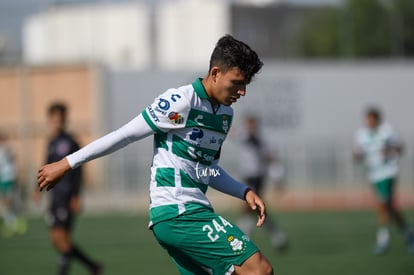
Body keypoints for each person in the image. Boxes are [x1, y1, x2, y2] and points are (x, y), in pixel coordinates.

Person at [37, 35, 274, 274]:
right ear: (215, 73)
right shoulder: (180, 101)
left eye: (246, 85)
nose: (242, 92)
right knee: (260, 270)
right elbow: (124, 135)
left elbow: (206, 169)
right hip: (179, 212)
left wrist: (243, 191)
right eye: (237, 83)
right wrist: (67, 163)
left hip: (186, 214)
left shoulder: (224, 115)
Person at [34, 103, 102, 274]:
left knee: (61, 237)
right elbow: (45, 166)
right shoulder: (51, 142)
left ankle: (70, 270)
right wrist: (37, 189)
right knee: (56, 239)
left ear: (65, 120)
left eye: (60, 119)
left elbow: (78, 170)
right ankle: (92, 266)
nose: (57, 122)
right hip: (54, 196)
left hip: (66, 195)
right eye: (54, 119)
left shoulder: (70, 142)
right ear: (49, 120)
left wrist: (76, 196)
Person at [353, 106, 414, 254]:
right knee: (389, 208)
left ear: (377, 119)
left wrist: (390, 149)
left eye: (371, 119)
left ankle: (383, 240)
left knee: (382, 203)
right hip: (374, 175)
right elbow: (357, 155)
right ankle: (408, 234)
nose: (368, 121)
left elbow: (401, 148)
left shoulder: (387, 131)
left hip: (388, 173)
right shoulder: (361, 134)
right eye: (367, 119)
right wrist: (357, 155)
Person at [237, 115, 288, 251]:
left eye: (252, 125)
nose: (250, 128)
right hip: (248, 177)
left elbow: (271, 158)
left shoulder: (262, 141)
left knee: (252, 207)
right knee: (254, 208)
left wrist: (278, 178)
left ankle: (244, 238)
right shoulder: (244, 137)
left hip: (257, 178)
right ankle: (277, 238)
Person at [0, 131, 26, 237]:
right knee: (5, 203)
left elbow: (14, 159)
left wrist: (17, 173)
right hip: (4, 178)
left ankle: (13, 223)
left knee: (6, 203)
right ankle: (12, 223)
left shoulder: (7, 147)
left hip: (8, 178)